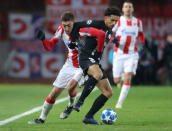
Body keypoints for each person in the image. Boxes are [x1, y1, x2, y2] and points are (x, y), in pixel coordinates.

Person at [28, 11, 106, 124]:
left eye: (69, 25)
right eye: (64, 25)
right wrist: (43, 40)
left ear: (73, 23)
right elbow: (49, 46)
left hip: (83, 65)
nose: (66, 28)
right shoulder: (61, 30)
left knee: (70, 86)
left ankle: (70, 105)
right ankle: (42, 118)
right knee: (54, 93)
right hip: (69, 65)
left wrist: (98, 53)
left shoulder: (82, 30)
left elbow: (101, 35)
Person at [60, 7, 121, 120]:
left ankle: (88, 117)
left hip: (94, 61)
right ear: (106, 18)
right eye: (112, 20)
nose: (114, 23)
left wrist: (113, 41)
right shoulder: (96, 23)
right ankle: (79, 102)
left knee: (108, 92)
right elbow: (77, 25)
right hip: (86, 58)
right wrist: (73, 40)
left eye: (116, 21)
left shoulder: (110, 31)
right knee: (97, 75)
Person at [111, 0, 145, 109]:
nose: (128, 8)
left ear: (133, 9)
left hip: (132, 54)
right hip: (119, 54)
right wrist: (113, 40)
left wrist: (142, 44)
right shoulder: (118, 21)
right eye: (126, 6)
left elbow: (141, 35)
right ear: (122, 9)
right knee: (116, 80)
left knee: (128, 77)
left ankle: (119, 103)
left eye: (130, 7)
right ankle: (120, 77)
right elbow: (110, 33)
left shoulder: (138, 22)